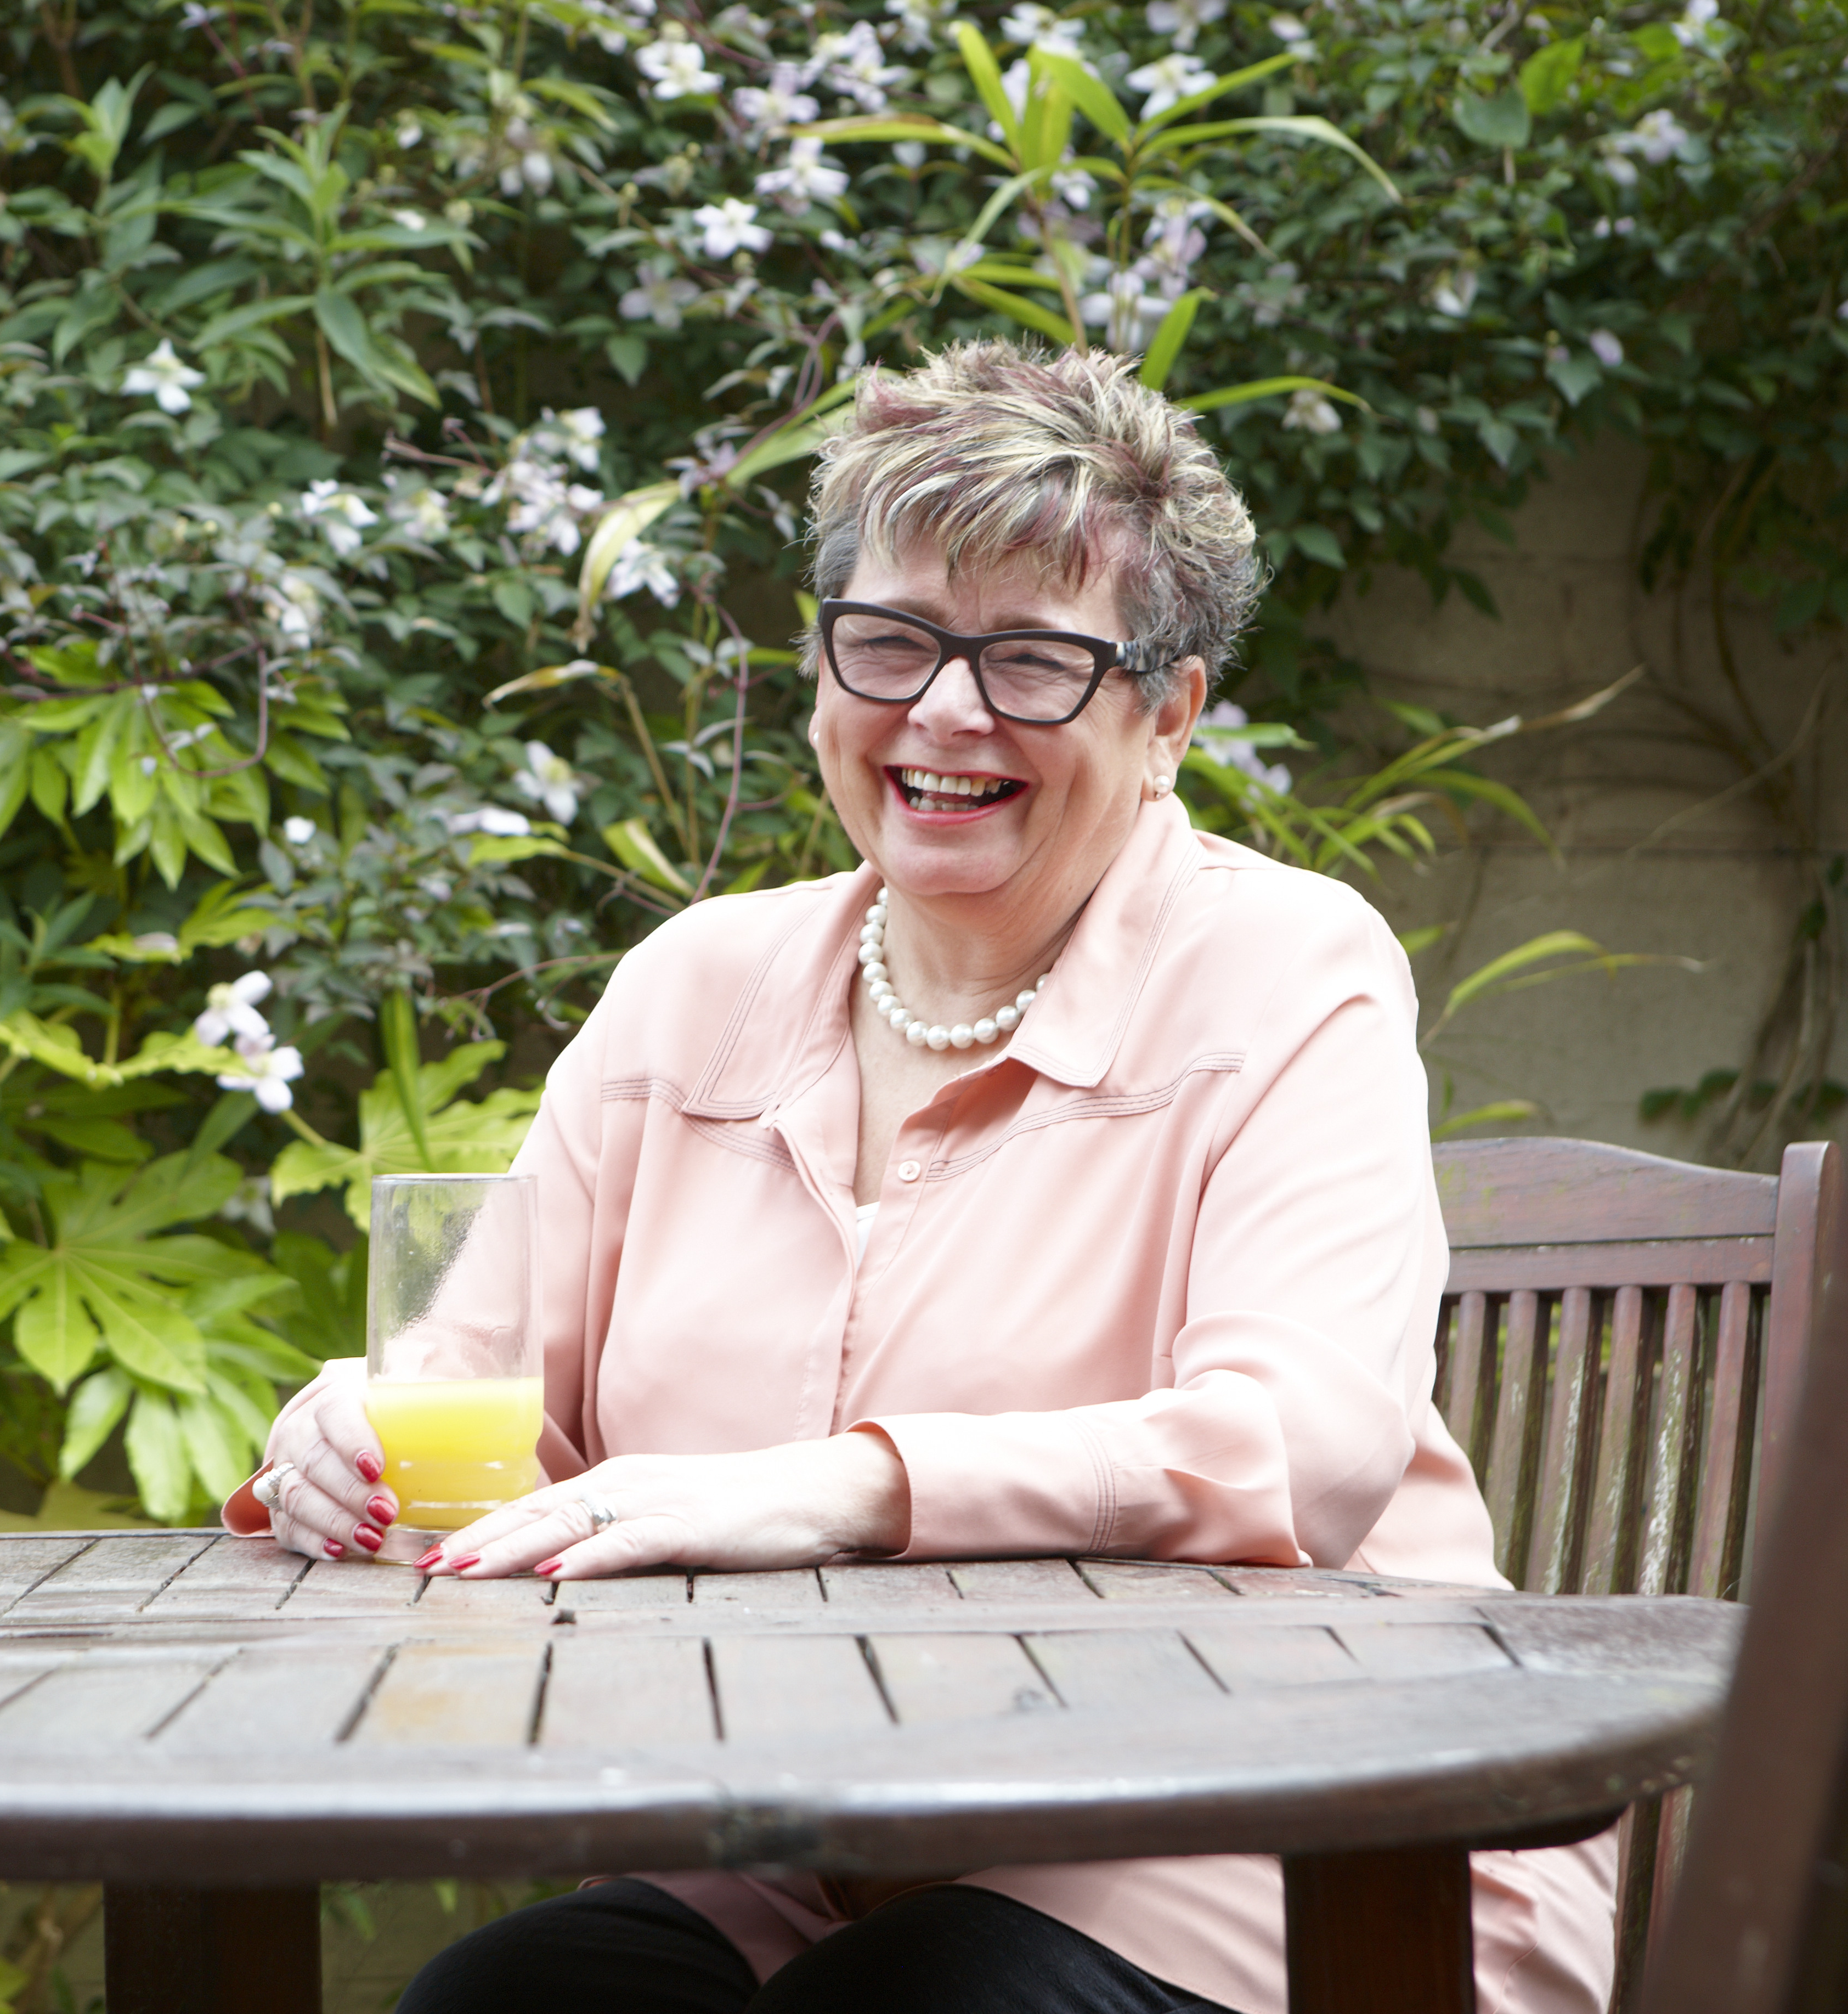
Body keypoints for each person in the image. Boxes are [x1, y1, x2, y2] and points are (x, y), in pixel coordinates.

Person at [222, 342, 1613, 2014]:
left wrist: (846, 1487)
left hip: (1274, 1846)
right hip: (803, 1860)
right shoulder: (693, 985)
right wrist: (348, 1441)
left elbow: (1294, 1451)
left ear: (1166, 711)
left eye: (1031, 660)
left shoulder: (1284, 971)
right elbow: (484, 1395)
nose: (942, 713)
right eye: (888, 643)